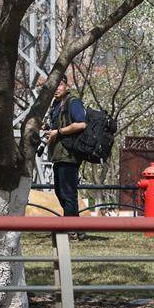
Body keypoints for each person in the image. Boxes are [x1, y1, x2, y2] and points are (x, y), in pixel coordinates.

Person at [42, 75, 88, 217]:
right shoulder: (55, 105)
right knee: (60, 192)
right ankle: (75, 227)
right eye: (54, 85)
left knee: (68, 193)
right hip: (58, 155)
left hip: (69, 154)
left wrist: (59, 132)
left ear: (66, 86)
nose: (56, 88)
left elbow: (81, 123)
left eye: (60, 84)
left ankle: (71, 229)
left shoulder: (72, 102)